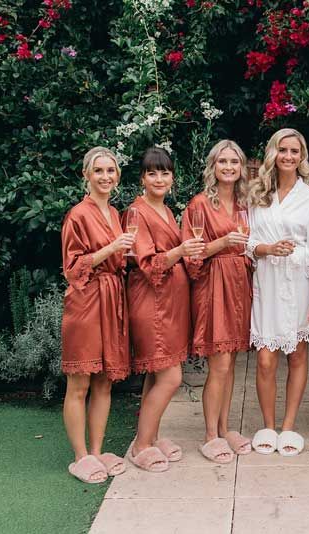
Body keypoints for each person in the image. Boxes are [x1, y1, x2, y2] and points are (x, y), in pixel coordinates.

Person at [245, 128, 309, 456]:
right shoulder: (257, 193)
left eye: (295, 151)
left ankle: (289, 426)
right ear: (273, 154)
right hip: (267, 280)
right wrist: (267, 248)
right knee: (265, 359)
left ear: (302, 156)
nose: (289, 156)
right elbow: (248, 242)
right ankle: (268, 424)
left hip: (301, 283)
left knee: (297, 355)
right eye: (283, 150)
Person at [123, 147, 206, 472]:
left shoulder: (168, 211)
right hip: (151, 302)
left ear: (173, 177)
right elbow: (148, 264)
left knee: (156, 377)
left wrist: (190, 255)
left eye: (165, 172)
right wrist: (181, 251)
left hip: (171, 304)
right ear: (142, 178)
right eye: (152, 173)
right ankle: (141, 445)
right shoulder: (136, 212)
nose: (159, 178)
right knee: (171, 377)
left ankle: (152, 437)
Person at [61, 146, 133, 483]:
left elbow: (120, 260)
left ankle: (97, 450)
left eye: (111, 170)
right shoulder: (78, 214)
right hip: (87, 300)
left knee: (105, 380)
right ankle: (80, 456)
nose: (106, 176)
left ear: (117, 176)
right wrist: (112, 249)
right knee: (80, 382)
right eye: (99, 170)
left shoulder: (116, 213)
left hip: (113, 299)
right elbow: (72, 267)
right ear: (86, 175)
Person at [181, 140, 253, 463]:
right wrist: (222, 242)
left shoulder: (244, 203)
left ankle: (226, 429)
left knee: (232, 362)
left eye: (234, 162)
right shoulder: (199, 204)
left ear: (241, 168)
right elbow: (192, 255)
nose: (228, 167)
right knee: (219, 363)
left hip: (239, 283)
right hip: (213, 285)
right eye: (222, 161)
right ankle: (210, 435)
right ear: (212, 166)